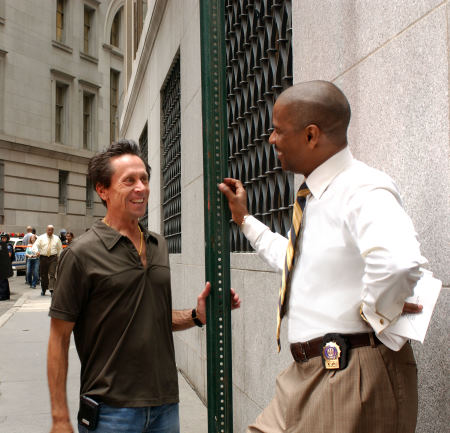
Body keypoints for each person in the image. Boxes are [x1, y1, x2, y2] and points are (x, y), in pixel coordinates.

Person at [219, 80, 426, 433]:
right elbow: (293, 261)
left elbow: (396, 262)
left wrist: (376, 309)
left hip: (350, 374)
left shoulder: (361, 186)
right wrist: (245, 220)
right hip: (306, 374)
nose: (271, 140)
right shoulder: (315, 196)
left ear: (311, 135)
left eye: (278, 130)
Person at [47, 139, 240, 433]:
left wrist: (196, 316)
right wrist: (59, 417)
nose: (141, 188)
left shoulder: (158, 243)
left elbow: (152, 317)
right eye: (129, 181)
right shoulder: (80, 253)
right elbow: (59, 338)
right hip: (111, 411)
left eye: (144, 179)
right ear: (103, 190)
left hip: (165, 407)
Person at [33, 225, 62, 296]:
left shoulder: (56, 238)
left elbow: (60, 249)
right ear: (46, 230)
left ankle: (52, 289)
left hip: (53, 258)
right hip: (43, 258)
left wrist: (59, 257)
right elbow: (35, 245)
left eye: (51, 230)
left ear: (53, 231)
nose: (50, 231)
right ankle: (44, 289)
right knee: (43, 275)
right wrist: (36, 251)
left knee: (52, 274)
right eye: (49, 230)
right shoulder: (41, 237)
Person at [0, 233, 13, 301]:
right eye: (2, 238)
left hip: (5, 265)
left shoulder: (8, 246)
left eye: (4, 238)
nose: (3, 239)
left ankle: (3, 296)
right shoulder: (2, 245)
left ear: (7, 239)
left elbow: (9, 255)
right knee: (4, 280)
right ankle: (6, 295)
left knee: (2, 281)